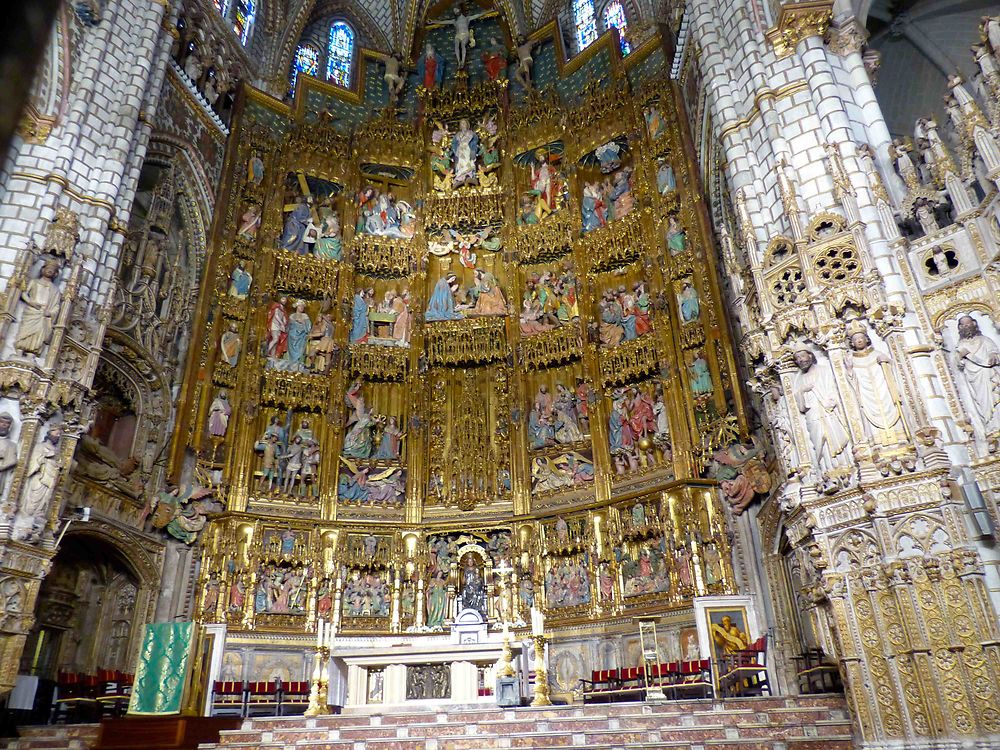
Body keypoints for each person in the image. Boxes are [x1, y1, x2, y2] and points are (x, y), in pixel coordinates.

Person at [953, 315, 1000, 444]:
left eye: (968, 324)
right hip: (974, 378)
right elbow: (959, 364)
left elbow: (994, 354)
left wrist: (992, 356)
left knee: (995, 399)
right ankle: (991, 428)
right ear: (960, 328)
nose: (966, 327)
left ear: (974, 324)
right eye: (963, 325)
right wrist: (960, 357)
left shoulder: (984, 340)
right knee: (982, 403)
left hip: (988, 374)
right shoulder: (961, 345)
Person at [15, 261, 62, 356]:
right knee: (25, 331)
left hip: (43, 313)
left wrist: (50, 313)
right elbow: (24, 293)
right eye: (48, 269)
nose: (50, 271)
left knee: (38, 334)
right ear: (43, 270)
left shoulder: (55, 289)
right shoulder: (34, 282)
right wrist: (31, 302)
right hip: (32, 311)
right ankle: (20, 350)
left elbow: (56, 305)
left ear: (55, 274)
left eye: (52, 270)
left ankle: (32, 353)